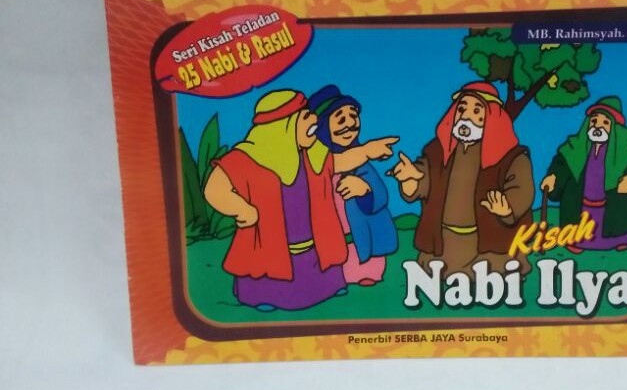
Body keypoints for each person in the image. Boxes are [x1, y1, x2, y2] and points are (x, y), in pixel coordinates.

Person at [203, 89, 397, 310]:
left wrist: (367, 151)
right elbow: (214, 189)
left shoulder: (312, 156)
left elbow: (341, 160)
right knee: (267, 271)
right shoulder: (247, 158)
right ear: (284, 125)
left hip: (312, 247)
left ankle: (327, 287)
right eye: (305, 116)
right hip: (270, 246)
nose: (314, 119)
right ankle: (265, 296)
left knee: (322, 270)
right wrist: (241, 209)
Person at [388, 81, 534, 278]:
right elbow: (423, 179)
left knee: (494, 272)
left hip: (489, 246)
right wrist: (409, 178)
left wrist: (507, 208)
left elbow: (522, 188)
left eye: (476, 111)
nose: (466, 117)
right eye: (462, 109)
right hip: (443, 244)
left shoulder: (511, 156)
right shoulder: (438, 149)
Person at [308, 85, 398, 287]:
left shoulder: (362, 165)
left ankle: (367, 272)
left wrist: (365, 189)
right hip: (329, 237)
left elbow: (381, 196)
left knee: (364, 254)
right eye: (340, 118)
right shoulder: (316, 163)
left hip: (361, 235)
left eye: (353, 116)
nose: (349, 124)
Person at [540, 96, 627, 253]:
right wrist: (553, 178)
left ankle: (621, 238)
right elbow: (562, 164)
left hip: (613, 203)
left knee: (619, 223)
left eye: (605, 122)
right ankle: (574, 239)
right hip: (581, 205)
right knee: (575, 223)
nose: (598, 126)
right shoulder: (576, 145)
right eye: (594, 121)